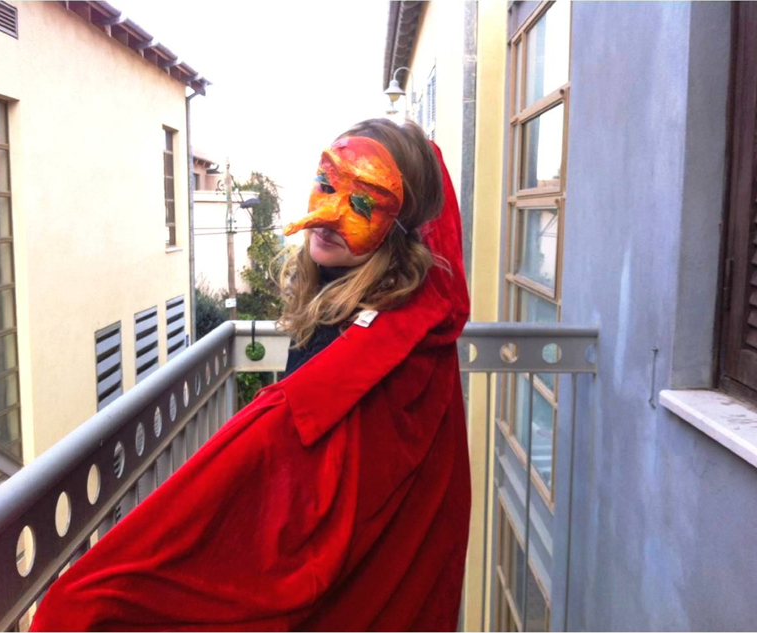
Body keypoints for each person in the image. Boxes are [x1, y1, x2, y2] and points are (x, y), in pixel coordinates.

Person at [30, 118, 471, 632]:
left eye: (361, 202)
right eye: (326, 183)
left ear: (399, 228)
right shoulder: (391, 309)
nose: (327, 214)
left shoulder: (365, 353)